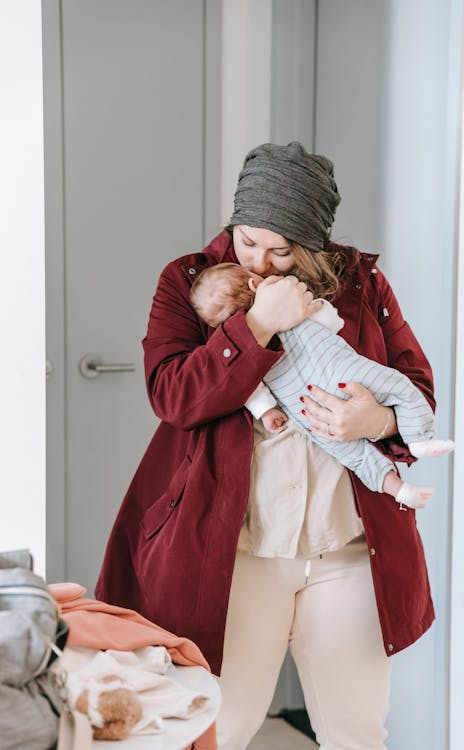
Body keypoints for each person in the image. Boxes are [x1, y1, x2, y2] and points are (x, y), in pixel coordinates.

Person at [95, 142, 442, 750]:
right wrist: (256, 325)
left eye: (283, 251)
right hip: (236, 553)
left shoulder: (361, 283)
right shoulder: (189, 281)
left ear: (315, 245)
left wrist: (378, 421)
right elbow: (173, 394)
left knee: (357, 731)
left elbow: (416, 386)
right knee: (220, 730)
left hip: (350, 550)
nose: (261, 261)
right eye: (249, 240)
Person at [190, 261, 454, 508]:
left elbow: (249, 388)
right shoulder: (294, 310)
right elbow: (333, 321)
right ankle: (419, 439)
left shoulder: (243, 351)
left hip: (310, 410)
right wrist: (313, 306)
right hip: (345, 376)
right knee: (398, 386)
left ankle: (399, 490)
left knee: (355, 457)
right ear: (254, 285)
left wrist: (267, 412)